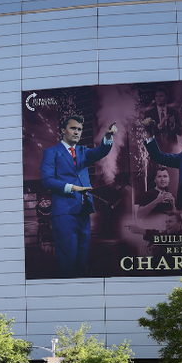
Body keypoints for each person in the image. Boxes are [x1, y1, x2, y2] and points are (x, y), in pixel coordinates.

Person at [39, 115, 118, 277]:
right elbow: (47, 180)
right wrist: (72, 188)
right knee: (67, 261)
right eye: (73, 128)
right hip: (64, 213)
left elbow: (101, 151)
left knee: (82, 262)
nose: (77, 132)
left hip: (83, 211)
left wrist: (108, 136)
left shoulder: (83, 151)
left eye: (80, 129)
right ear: (63, 131)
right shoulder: (51, 152)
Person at [143, 86, 181, 151]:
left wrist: (173, 126)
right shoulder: (149, 113)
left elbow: (181, 131)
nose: (158, 98)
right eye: (157, 96)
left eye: (161, 96)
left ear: (167, 97)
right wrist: (159, 125)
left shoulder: (174, 112)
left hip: (172, 149)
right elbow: (147, 130)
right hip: (156, 149)